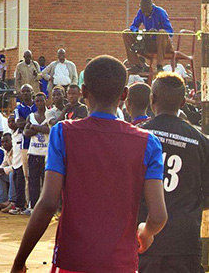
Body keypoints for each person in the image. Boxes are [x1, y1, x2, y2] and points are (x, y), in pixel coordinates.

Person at [11, 55, 167, 273]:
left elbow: (47, 204)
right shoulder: (148, 143)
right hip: (120, 263)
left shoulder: (63, 133)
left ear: (83, 91)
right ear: (124, 95)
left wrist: (20, 261)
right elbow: (159, 216)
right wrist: (146, 232)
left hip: (73, 259)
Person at [137, 72, 209, 272]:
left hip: (144, 239)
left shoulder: (139, 136)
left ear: (152, 99)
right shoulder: (201, 142)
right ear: (184, 102)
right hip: (185, 241)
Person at [124, 0, 174, 73]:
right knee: (126, 33)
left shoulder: (160, 12)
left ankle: (159, 66)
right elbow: (133, 26)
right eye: (143, 11)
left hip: (163, 45)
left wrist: (156, 32)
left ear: (151, 6)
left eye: (147, 11)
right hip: (149, 43)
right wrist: (137, 32)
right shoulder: (141, 12)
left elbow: (170, 31)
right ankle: (135, 65)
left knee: (162, 33)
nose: (145, 13)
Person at [23, 92, 49, 209]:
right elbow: (26, 132)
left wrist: (34, 127)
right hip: (33, 153)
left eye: (41, 100)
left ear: (46, 101)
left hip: (46, 154)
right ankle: (33, 207)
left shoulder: (50, 114)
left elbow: (50, 130)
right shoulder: (31, 116)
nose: (39, 103)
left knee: (46, 183)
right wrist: (40, 129)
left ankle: (45, 208)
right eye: (37, 101)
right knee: (33, 182)